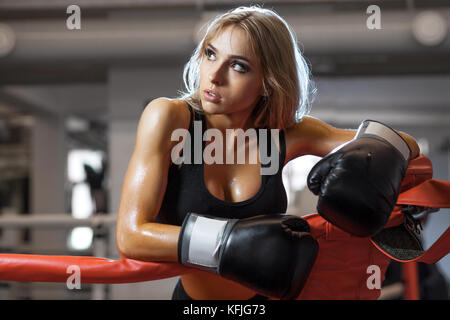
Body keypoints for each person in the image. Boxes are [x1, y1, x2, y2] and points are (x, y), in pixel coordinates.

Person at [115, 6, 420, 300]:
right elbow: (130, 236)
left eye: (238, 66)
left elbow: (402, 142)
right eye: (210, 54)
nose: (215, 75)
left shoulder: (284, 134)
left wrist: (376, 164)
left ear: (267, 82)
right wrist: (229, 242)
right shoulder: (170, 118)